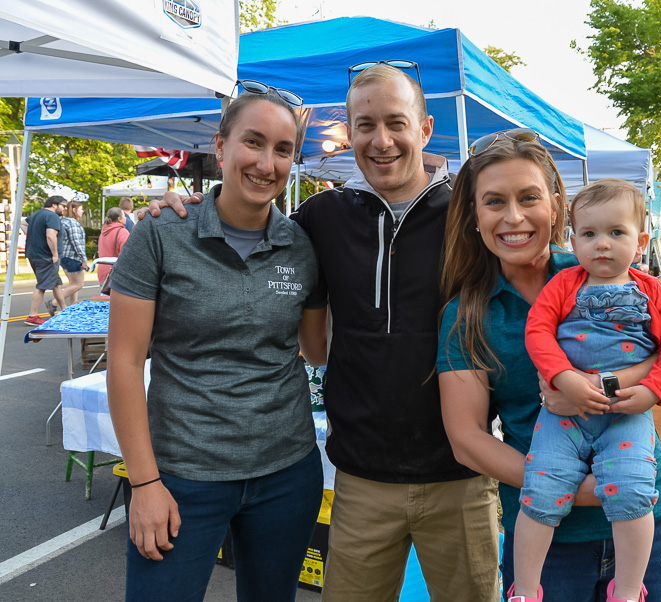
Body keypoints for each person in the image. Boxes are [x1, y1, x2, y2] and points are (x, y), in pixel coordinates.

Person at [142, 63, 500, 601]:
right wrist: (186, 207)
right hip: (360, 480)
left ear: (425, 129)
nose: (381, 140)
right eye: (365, 125)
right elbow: (252, 231)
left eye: (396, 123)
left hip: (462, 475)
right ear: (348, 133)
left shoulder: (471, 219)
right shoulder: (320, 217)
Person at [437, 132, 661, 602]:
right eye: (494, 201)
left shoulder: (602, 265)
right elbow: (467, 442)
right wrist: (584, 487)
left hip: (648, 519)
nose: (513, 217)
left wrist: (599, 387)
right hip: (552, 537)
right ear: (474, 216)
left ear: (556, 208)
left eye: (529, 198)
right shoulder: (467, 315)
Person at [106, 83, 327, 601]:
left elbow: (318, 350)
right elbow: (123, 362)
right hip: (182, 475)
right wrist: (144, 482)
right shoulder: (161, 233)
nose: (266, 164)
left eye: (283, 149)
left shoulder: (302, 245)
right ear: (221, 146)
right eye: (253, 142)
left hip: (287, 472)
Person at [511, 179, 661, 602]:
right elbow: (538, 331)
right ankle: (526, 590)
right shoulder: (564, 284)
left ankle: (627, 590)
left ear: (641, 241)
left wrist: (653, 390)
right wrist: (564, 377)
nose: (603, 244)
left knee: (634, 490)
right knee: (540, 489)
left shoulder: (651, 291)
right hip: (564, 415)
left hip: (627, 415)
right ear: (574, 241)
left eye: (616, 232)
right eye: (590, 234)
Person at [23, 196, 67, 326]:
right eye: (63, 206)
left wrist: (34, 236)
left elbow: (23, 223)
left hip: (34, 254)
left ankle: (64, 310)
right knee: (42, 285)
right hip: (46, 256)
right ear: (54, 205)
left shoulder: (37, 214)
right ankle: (32, 316)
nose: (65, 209)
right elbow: (50, 236)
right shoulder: (52, 216)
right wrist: (54, 254)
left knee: (57, 284)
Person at [48, 200, 89, 313]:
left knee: (73, 284)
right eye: (81, 209)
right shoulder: (72, 223)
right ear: (74, 210)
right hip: (73, 257)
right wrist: (83, 259)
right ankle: (53, 302)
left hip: (64, 257)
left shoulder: (63, 221)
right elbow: (76, 242)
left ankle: (72, 307)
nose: (83, 211)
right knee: (79, 284)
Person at [96, 207, 130, 288]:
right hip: (116, 272)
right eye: (124, 216)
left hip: (102, 270)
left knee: (105, 294)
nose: (126, 218)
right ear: (119, 219)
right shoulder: (122, 232)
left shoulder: (103, 232)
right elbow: (127, 255)